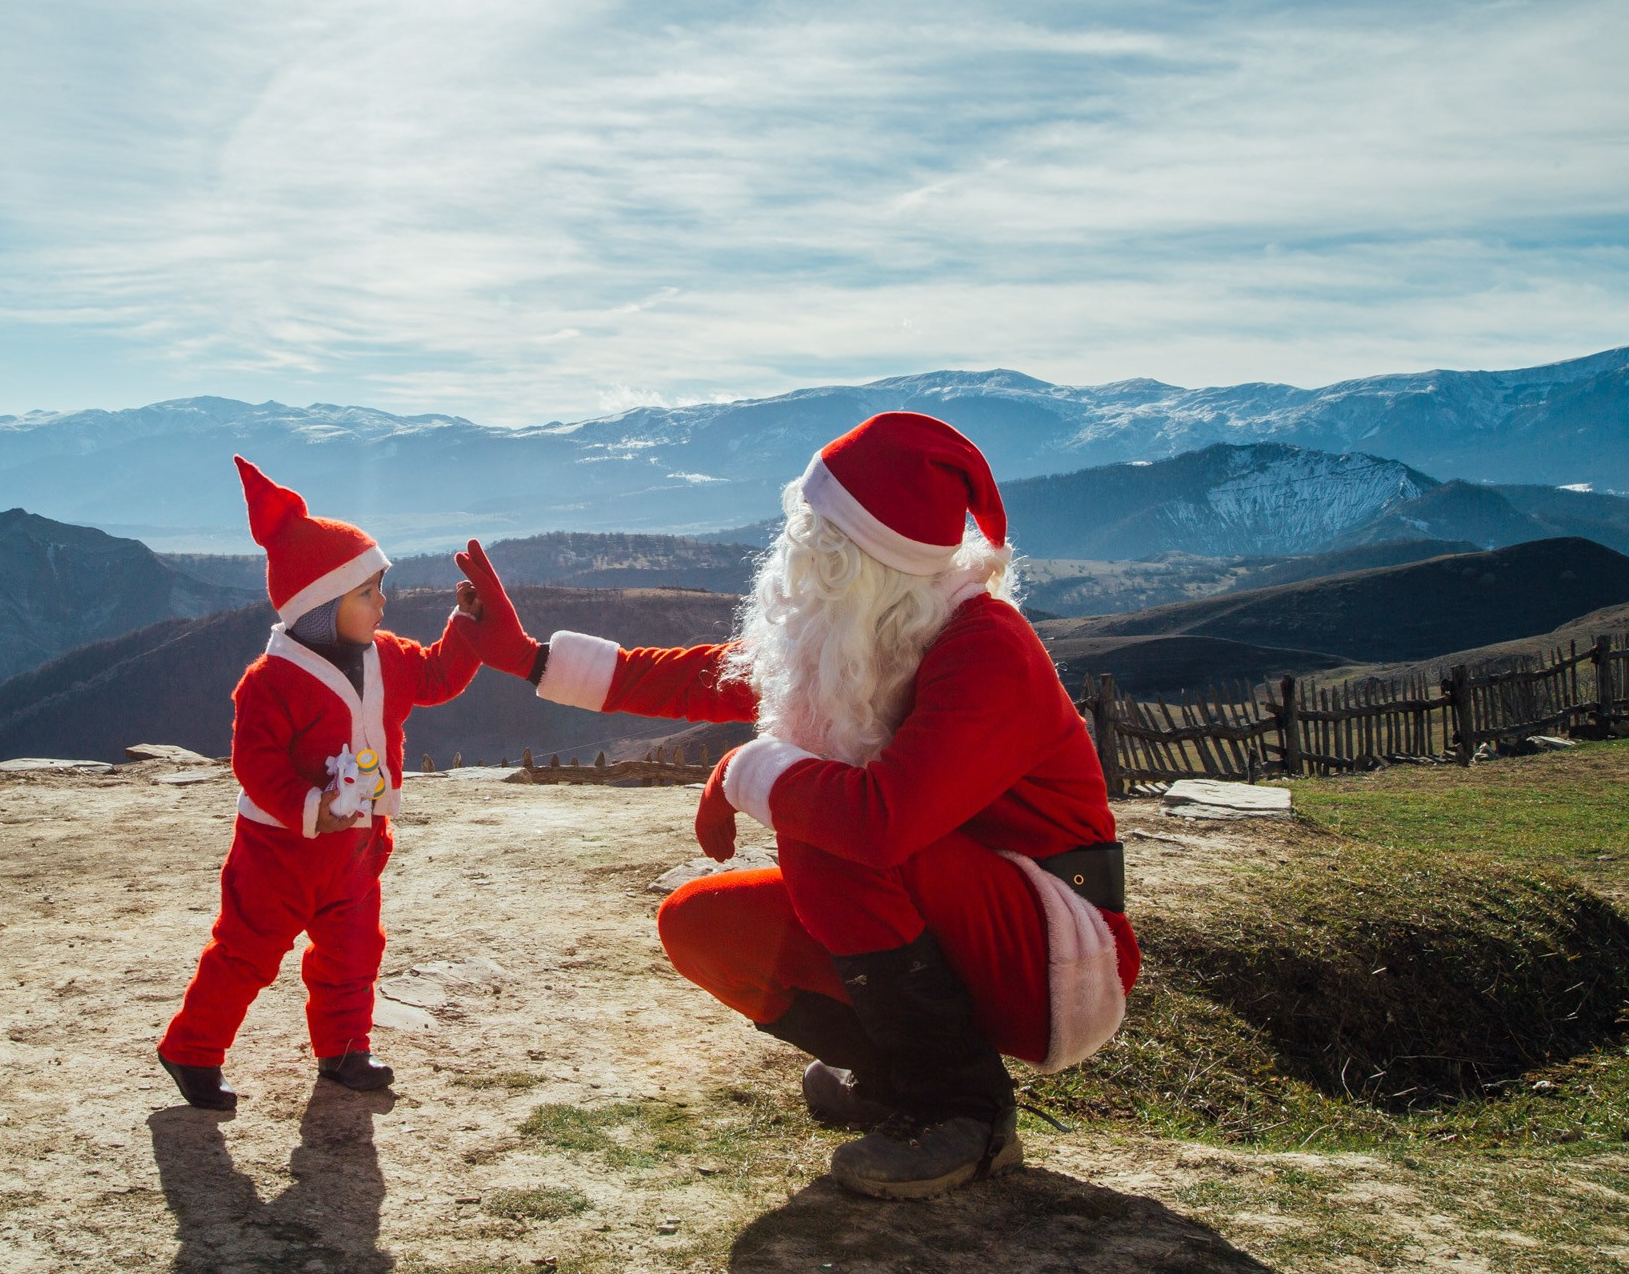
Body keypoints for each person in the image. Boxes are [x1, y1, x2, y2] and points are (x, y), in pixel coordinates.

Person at [451, 412, 1139, 1200]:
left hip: (1056, 952)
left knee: (834, 830)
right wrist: (528, 658)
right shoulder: (874, 631)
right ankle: (898, 1077)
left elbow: (880, 822)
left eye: (820, 537)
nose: (798, 552)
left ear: (867, 556)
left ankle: (965, 1112)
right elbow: (705, 675)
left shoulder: (989, 649)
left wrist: (749, 769)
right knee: (702, 928)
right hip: (965, 924)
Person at [158, 456, 480, 1110]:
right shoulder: (268, 683)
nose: (383, 603)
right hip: (280, 850)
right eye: (368, 593)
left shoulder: (388, 656)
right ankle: (190, 1050)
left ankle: (343, 1049)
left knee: (354, 949)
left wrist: (467, 627)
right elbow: (257, 765)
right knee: (247, 952)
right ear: (321, 606)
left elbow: (440, 676)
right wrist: (311, 806)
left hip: (357, 842)